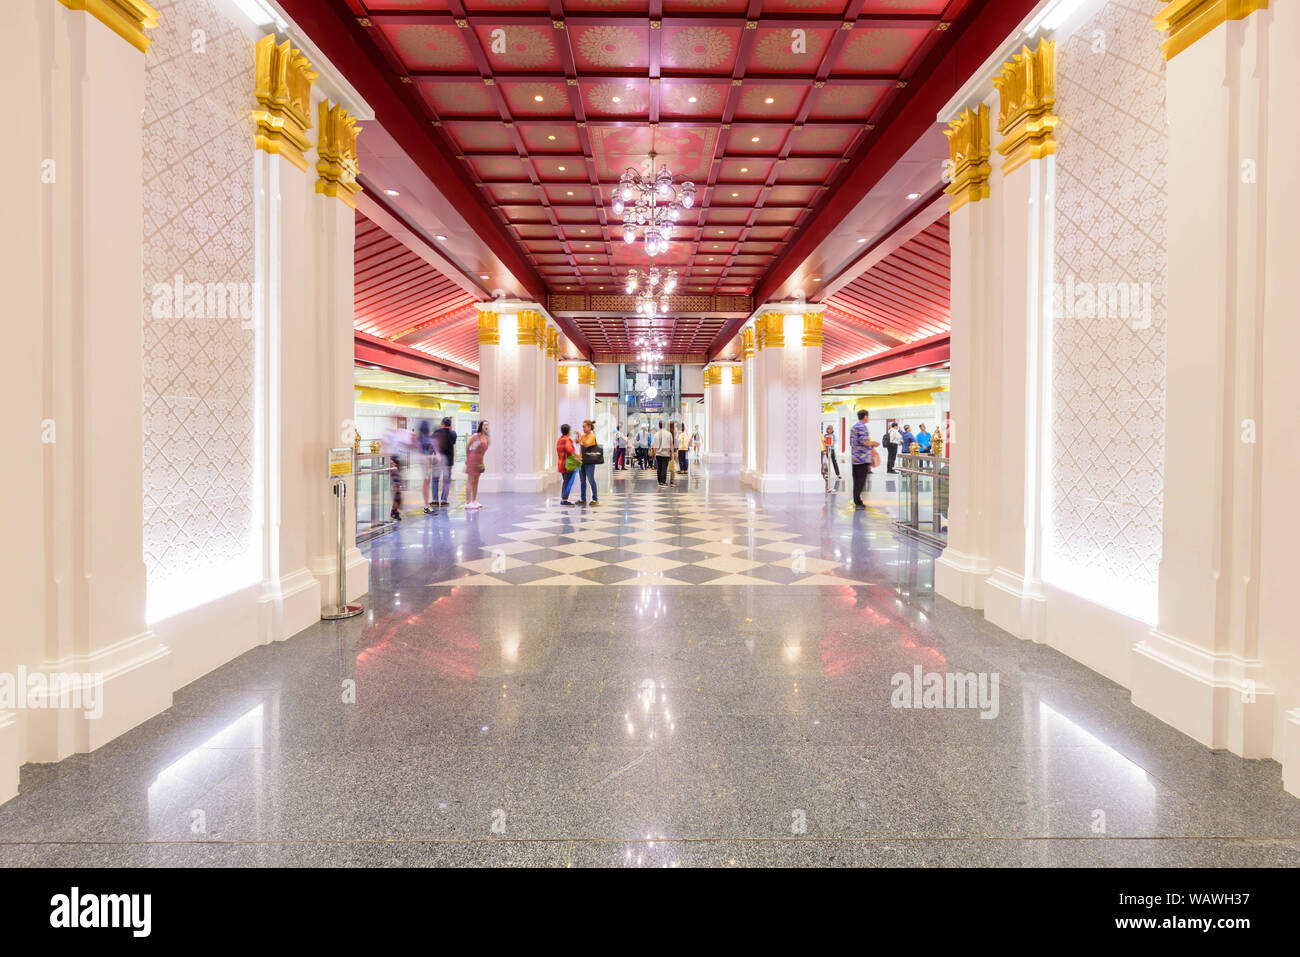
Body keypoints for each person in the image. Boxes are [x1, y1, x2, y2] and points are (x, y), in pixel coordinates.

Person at [849, 409, 878, 511]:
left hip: (855, 458)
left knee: (856, 481)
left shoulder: (854, 427)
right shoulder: (862, 427)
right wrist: (874, 443)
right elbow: (864, 442)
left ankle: (858, 501)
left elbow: (851, 442)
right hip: (862, 459)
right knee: (860, 482)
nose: (868, 418)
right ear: (865, 416)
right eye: (868, 416)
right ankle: (858, 503)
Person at [432, 416, 457, 507]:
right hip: (448, 460)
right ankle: (443, 500)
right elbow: (453, 441)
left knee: (435, 480)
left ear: (442, 423)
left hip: (437, 459)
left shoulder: (436, 433)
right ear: (450, 424)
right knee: (446, 480)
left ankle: (435, 500)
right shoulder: (453, 433)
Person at [464, 421, 489, 509]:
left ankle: (474, 500)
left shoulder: (487, 438)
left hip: (480, 460)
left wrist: (482, 461)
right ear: (481, 426)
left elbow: (483, 452)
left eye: (487, 425)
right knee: (470, 480)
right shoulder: (475, 436)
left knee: (476, 481)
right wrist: (468, 457)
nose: (486, 426)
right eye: (484, 424)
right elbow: (467, 446)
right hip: (472, 458)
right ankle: (468, 502)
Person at [577, 418, 599, 506]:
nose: (583, 428)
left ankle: (595, 499)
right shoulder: (583, 435)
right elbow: (581, 447)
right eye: (582, 427)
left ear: (589, 427)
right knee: (582, 480)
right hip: (582, 461)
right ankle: (583, 499)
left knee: (591, 479)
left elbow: (586, 444)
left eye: (584, 427)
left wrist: (580, 437)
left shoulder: (592, 436)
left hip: (590, 461)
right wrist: (579, 457)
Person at [557, 424, 578, 505]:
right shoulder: (567, 440)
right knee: (568, 482)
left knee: (565, 481)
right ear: (568, 431)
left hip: (561, 463)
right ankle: (564, 500)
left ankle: (564, 499)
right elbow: (570, 450)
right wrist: (578, 457)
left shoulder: (560, 439)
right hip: (568, 465)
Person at [417, 419, 436, 514]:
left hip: (427, 460)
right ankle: (426, 505)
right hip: (424, 460)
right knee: (426, 481)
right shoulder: (421, 438)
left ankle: (427, 504)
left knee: (427, 481)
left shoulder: (425, 437)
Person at [653, 419, 673, 487]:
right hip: (666, 454)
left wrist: (655, 453)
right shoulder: (669, 434)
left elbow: (654, 445)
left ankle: (660, 481)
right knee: (664, 467)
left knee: (659, 467)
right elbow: (671, 444)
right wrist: (672, 453)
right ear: (665, 425)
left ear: (659, 426)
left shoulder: (656, 434)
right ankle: (663, 481)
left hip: (658, 453)